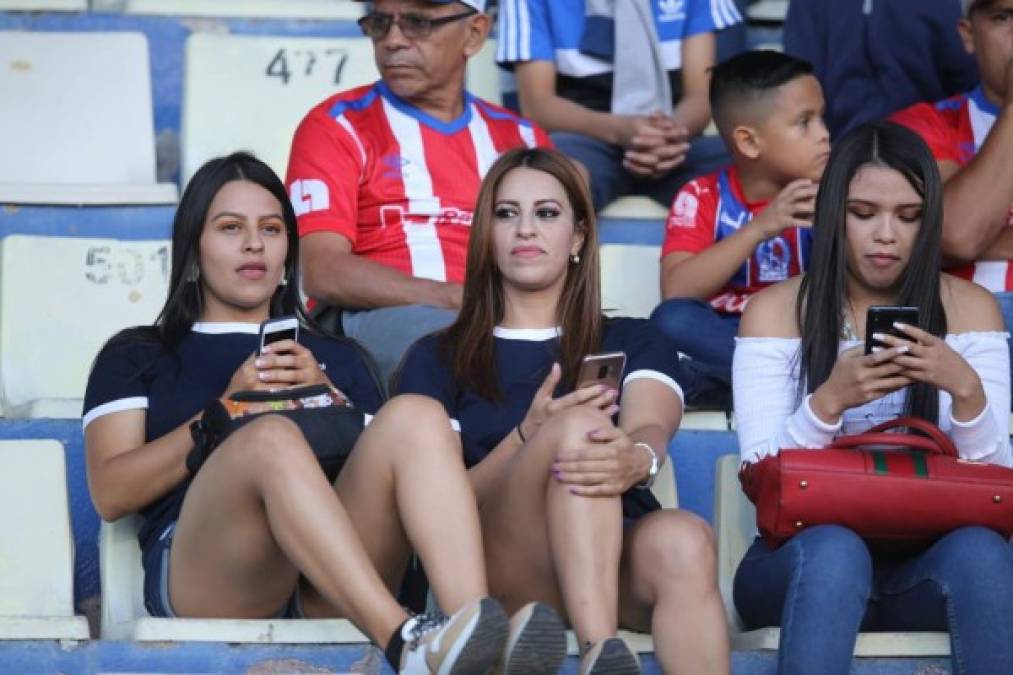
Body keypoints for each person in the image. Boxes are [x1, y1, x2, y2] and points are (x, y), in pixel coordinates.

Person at [83, 152, 566, 675]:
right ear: (194, 252)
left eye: (271, 229)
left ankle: (473, 634)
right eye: (230, 228)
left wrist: (329, 400)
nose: (253, 244)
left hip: (332, 577)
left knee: (418, 415)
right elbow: (112, 493)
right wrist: (223, 413)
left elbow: (401, 475)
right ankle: (407, 644)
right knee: (271, 438)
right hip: (217, 571)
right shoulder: (139, 353)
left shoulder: (336, 356)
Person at [397, 147, 730, 675]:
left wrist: (637, 458)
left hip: (610, 552)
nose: (525, 229)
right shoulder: (437, 355)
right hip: (501, 563)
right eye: (507, 214)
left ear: (577, 236)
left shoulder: (630, 338)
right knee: (577, 424)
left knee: (684, 540)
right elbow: (437, 508)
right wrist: (527, 436)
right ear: (487, 235)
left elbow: (649, 421)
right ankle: (603, 651)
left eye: (547, 214)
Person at [731, 122, 1013, 675]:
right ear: (833, 212)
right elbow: (758, 477)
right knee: (837, 551)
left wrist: (967, 391)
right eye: (864, 213)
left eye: (908, 217)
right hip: (801, 562)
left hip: (926, 564)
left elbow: (998, 480)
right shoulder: (774, 310)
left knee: (983, 554)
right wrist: (827, 403)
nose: (886, 234)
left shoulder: (971, 308)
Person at [286, 0, 551, 386]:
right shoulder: (336, 126)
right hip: (371, 318)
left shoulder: (524, 139)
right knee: (461, 347)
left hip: (497, 318)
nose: (393, 40)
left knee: (633, 346)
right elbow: (322, 272)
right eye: (380, 23)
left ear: (474, 33)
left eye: (417, 23)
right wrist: (453, 298)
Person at [650, 51, 830, 409]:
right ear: (748, 142)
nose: (824, 135)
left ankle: (718, 383)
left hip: (800, 337)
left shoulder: (836, 193)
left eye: (822, 119)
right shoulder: (701, 195)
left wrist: (832, 219)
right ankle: (786, 383)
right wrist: (760, 228)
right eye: (804, 122)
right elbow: (677, 291)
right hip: (728, 335)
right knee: (670, 320)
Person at [496, 0, 743, 212]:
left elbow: (701, 95)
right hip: (584, 137)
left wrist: (668, 134)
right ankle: (565, 266)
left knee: (761, 160)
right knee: (549, 177)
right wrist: (619, 131)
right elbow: (538, 106)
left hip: (675, 142)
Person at [891, 0, 1013, 373]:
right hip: (965, 331)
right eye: (1003, 17)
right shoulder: (924, 126)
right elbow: (955, 235)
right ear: (968, 35)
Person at [784, 0, 979, 138]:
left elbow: (968, 79)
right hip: (837, 152)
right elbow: (800, 81)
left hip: (934, 152)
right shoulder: (810, 4)